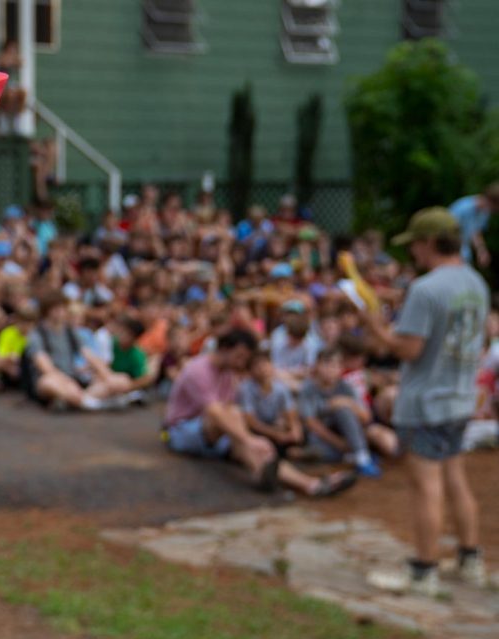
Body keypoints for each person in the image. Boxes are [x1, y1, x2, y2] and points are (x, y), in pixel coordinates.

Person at [363, 208, 491, 596]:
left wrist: (378, 330)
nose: (413, 252)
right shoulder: (476, 281)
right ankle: (470, 560)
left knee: (426, 486)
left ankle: (423, 570)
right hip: (460, 397)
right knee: (455, 477)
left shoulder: (426, 289)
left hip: (426, 402)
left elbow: (410, 349)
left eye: (416, 244)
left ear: (431, 242)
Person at [163, 328, 354, 498]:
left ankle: (310, 484)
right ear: (224, 349)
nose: (242, 362)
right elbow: (215, 412)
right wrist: (249, 439)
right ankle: (260, 468)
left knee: (257, 451)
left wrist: (250, 441)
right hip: (181, 431)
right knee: (240, 427)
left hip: (214, 433)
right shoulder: (198, 370)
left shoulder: (228, 373)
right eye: (239, 356)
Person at [297, 348, 396, 478]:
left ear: (341, 368)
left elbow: (366, 417)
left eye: (335, 365)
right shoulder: (308, 388)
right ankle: (354, 454)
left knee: (343, 409)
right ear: (317, 366)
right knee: (321, 452)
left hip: (348, 433)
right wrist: (338, 443)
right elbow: (311, 423)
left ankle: (361, 457)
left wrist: (348, 403)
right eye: (326, 364)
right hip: (324, 438)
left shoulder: (346, 386)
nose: (331, 369)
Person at [237, 350, 303, 455]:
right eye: (257, 366)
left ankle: (292, 451)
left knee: (294, 429)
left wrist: (295, 430)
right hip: (257, 429)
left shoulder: (280, 388)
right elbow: (251, 421)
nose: (263, 369)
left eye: (265, 364)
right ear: (250, 371)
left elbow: (290, 413)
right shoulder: (246, 389)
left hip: (272, 425)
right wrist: (275, 434)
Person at [447, 183, 499, 268]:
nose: (494, 212)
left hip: (464, 254)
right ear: (491, 202)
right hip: (450, 254)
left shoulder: (485, 212)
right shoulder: (462, 208)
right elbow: (446, 232)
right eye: (495, 209)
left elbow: (475, 232)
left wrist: (481, 251)